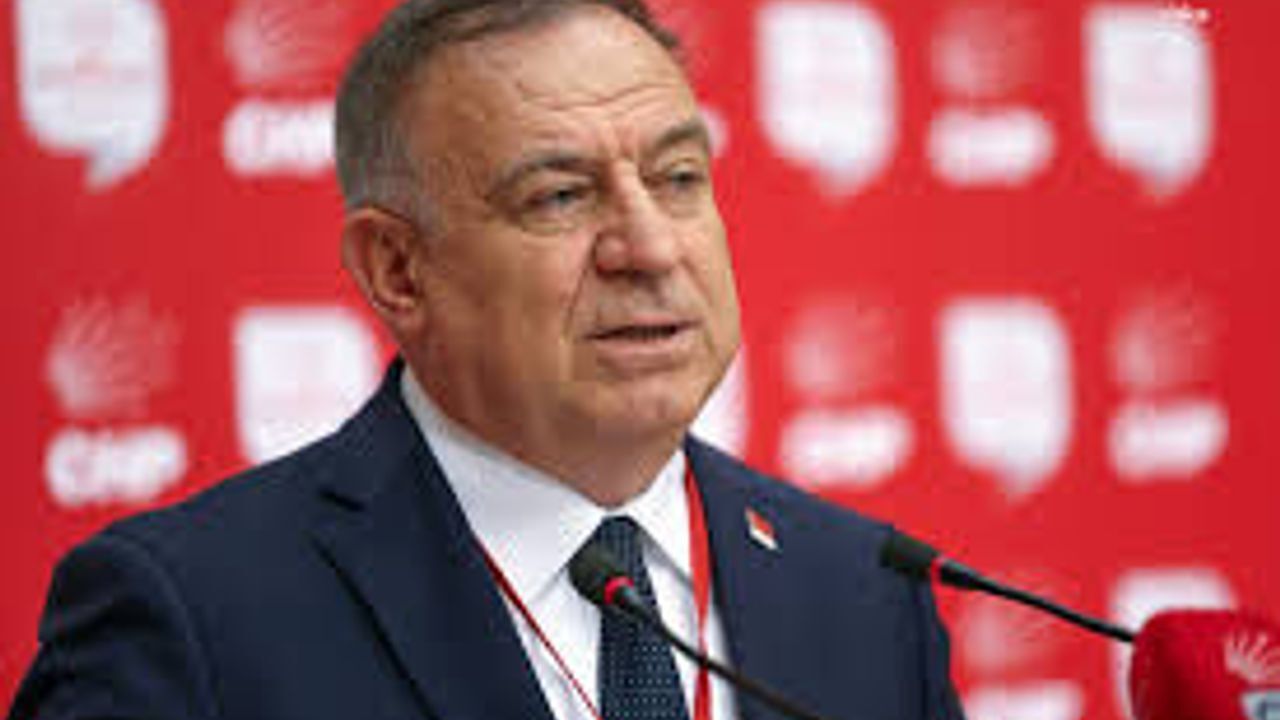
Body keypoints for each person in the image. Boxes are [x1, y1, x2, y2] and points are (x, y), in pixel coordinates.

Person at [8, 1, 966, 719]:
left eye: (678, 179)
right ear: (398, 270)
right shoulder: (193, 620)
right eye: (559, 197)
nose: (650, 247)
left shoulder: (866, 593)